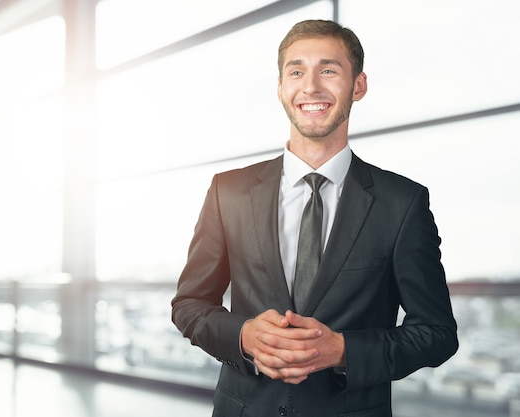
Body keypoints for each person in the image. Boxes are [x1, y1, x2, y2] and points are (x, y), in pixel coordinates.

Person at [171, 19, 458, 417]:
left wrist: (343, 350)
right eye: (296, 71)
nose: (310, 87)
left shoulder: (403, 203)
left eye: (328, 70)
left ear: (358, 85)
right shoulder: (228, 192)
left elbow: (437, 334)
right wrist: (245, 336)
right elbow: (189, 304)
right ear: (280, 88)